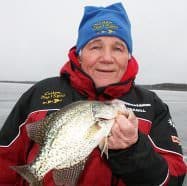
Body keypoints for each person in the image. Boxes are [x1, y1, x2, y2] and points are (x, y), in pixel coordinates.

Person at [0, 2, 186, 186]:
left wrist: (132, 150)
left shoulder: (152, 105)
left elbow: (174, 178)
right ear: (80, 54)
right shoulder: (40, 93)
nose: (106, 58)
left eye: (118, 48)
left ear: (128, 56)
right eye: (96, 47)